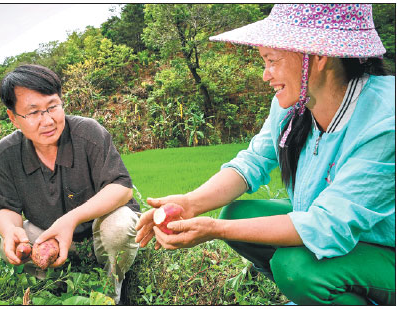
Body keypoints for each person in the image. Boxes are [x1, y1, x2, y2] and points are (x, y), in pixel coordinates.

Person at [135, 4, 395, 305]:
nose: (265, 75)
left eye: (272, 61)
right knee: (237, 215)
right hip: (341, 237)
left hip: (385, 250)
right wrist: (192, 203)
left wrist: (215, 230)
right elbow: (252, 162)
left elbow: (328, 224)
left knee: (296, 268)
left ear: (320, 55)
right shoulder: (293, 106)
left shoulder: (385, 120)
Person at [0, 64, 139, 304]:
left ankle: (113, 290)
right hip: (51, 236)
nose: (47, 120)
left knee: (119, 226)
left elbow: (121, 188)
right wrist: (9, 230)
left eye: (52, 107)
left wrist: (70, 220)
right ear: (14, 118)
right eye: (33, 112)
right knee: (13, 243)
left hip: (98, 231)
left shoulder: (88, 133)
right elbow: (3, 207)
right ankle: (50, 291)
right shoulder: (6, 154)